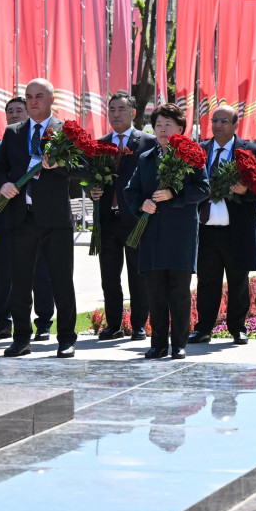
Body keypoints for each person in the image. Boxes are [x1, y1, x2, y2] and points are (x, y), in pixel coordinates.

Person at [0, 78, 88, 358]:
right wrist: (3, 184)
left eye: (39, 96)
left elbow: (84, 167)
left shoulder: (65, 131)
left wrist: (59, 164)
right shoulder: (13, 132)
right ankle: (21, 339)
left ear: (51, 99)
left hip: (55, 219)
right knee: (20, 282)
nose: (33, 101)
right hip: (21, 218)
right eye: (29, 97)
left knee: (61, 281)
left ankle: (66, 338)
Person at [124, 102, 211, 360]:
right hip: (152, 235)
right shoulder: (146, 158)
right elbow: (130, 191)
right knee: (156, 293)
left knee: (179, 293)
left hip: (180, 235)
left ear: (180, 128)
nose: (162, 129)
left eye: (168, 124)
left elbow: (204, 189)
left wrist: (175, 194)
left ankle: (179, 344)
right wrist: (142, 204)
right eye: (158, 125)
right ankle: (158, 344)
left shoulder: (191, 156)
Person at [190, 104, 256, 347]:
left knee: (238, 282)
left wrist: (246, 191)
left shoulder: (251, 151)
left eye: (224, 121)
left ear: (236, 125)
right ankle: (203, 329)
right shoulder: (200, 150)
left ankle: (238, 328)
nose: (218, 125)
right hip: (206, 231)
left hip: (237, 231)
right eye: (215, 120)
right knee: (206, 281)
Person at [0, 97, 54, 342]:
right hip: (4, 220)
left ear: (28, 114)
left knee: (40, 272)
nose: (14, 114)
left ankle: (43, 322)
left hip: (36, 218)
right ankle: (3, 321)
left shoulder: (43, 144)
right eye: (9, 111)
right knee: (3, 274)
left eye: (19, 110)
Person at [90, 90, 151, 341]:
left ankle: (138, 325)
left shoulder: (146, 142)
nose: (116, 114)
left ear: (133, 113)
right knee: (109, 277)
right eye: (112, 109)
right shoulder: (100, 144)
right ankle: (113, 325)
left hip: (135, 220)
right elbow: (91, 175)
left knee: (138, 276)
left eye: (121, 109)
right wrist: (92, 189)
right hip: (107, 221)